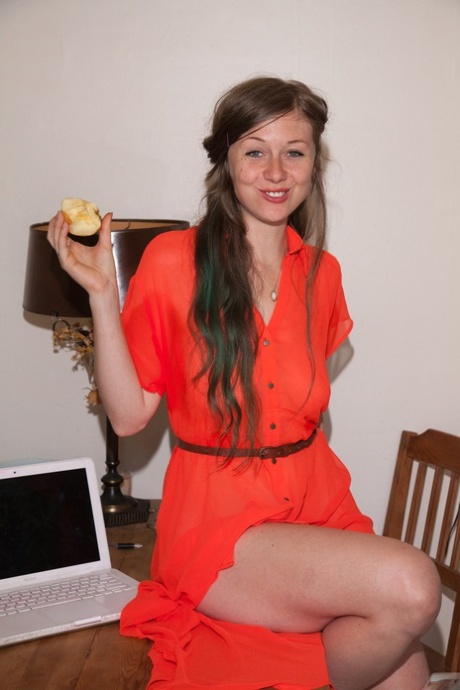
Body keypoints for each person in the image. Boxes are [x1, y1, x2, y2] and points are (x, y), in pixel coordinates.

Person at [48, 76, 442, 690]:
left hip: (317, 503)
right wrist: (102, 295)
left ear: (314, 163)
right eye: (255, 151)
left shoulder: (323, 274)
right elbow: (128, 417)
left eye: (295, 151)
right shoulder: (174, 260)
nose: (276, 171)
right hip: (219, 520)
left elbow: (293, 403)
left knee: (406, 673)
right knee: (413, 586)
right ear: (226, 161)